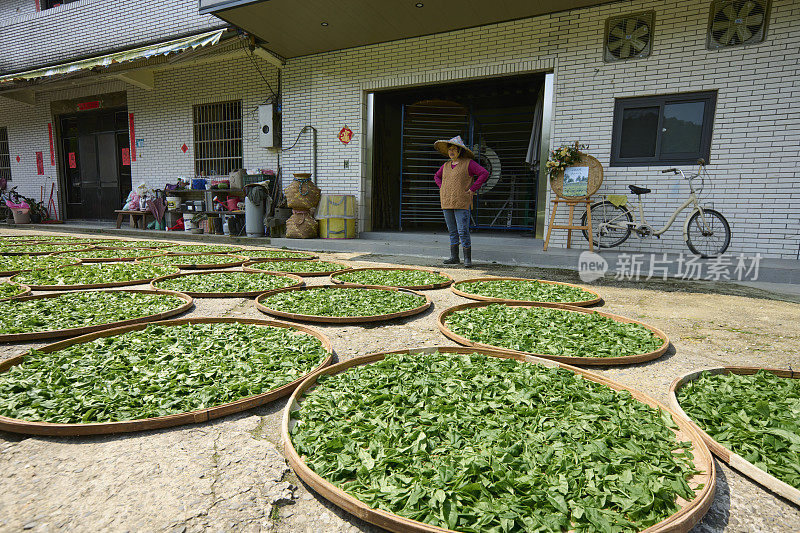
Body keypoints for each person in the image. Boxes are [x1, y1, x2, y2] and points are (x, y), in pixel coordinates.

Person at [433, 135, 489, 267]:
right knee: (452, 230)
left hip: (462, 201)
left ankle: (467, 259)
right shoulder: (446, 165)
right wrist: (442, 187)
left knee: (462, 230)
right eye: (449, 149)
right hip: (447, 200)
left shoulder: (468, 163)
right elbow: (436, 176)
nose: (451, 151)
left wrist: (473, 188)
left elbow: (484, 173)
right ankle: (454, 257)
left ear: (460, 151)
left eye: (454, 149)